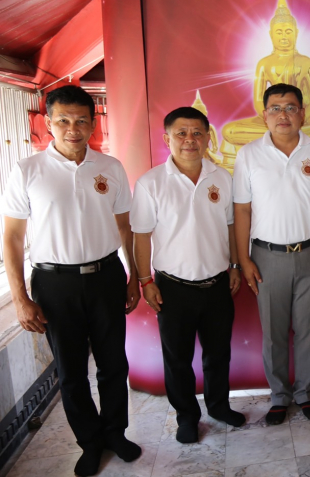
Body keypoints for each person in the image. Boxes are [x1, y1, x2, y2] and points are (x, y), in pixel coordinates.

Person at [1, 85, 141, 476]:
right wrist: (20, 297)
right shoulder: (27, 171)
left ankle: (116, 433)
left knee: (114, 363)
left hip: (106, 276)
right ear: (48, 123)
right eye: (63, 120)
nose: (72, 128)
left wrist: (133, 278)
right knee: (71, 371)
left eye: (81, 120)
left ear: (93, 123)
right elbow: (11, 238)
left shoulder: (109, 168)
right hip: (54, 284)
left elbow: (125, 227)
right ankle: (89, 442)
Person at [131, 106, 245, 443]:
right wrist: (145, 281)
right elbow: (140, 236)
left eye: (197, 132)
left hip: (217, 284)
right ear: (167, 139)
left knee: (218, 353)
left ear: (208, 137)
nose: (189, 140)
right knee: (177, 359)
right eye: (181, 133)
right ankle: (186, 417)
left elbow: (230, 226)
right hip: (172, 287)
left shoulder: (222, 177)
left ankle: (219, 406)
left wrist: (235, 266)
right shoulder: (150, 183)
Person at [233, 83, 310, 426]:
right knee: (273, 332)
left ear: (303, 113)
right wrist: (242, 260)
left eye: (290, 107)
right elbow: (242, 211)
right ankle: (279, 396)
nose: (283, 115)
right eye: (275, 108)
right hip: (266, 257)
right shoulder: (248, 154)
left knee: (309, 330)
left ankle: (304, 393)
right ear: (264, 115)